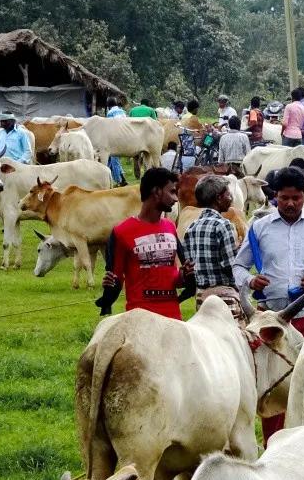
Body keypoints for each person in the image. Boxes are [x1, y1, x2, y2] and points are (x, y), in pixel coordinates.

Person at [233, 165, 304, 441]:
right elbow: (238, 267)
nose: (290, 203)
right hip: (271, 322)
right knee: (274, 386)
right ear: (274, 196)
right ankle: (274, 447)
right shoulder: (259, 228)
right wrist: (250, 281)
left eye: (297, 198)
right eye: (284, 198)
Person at [97, 167, 193, 319]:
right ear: (156, 192)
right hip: (140, 319)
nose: (176, 199)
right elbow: (116, 278)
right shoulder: (122, 232)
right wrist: (108, 290)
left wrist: (185, 275)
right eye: (172, 192)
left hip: (173, 319)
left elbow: (173, 277)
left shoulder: (170, 227)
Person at [181, 174, 242, 318]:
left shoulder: (192, 228)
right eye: (228, 194)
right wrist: (238, 253)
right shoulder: (224, 225)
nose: (231, 198)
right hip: (224, 298)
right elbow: (230, 266)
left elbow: (190, 267)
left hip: (202, 297)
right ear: (219, 198)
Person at [103, 99, 128, 185]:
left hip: (115, 138)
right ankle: (109, 177)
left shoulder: (110, 113)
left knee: (114, 160)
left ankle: (120, 181)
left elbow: (109, 127)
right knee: (110, 160)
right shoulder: (123, 112)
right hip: (125, 136)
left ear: (109, 106)